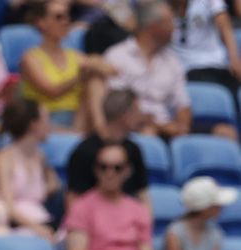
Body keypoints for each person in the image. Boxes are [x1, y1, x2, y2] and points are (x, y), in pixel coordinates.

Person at [64, 142, 160, 250]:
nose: (110, 173)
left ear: (127, 171)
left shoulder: (138, 209)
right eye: (103, 167)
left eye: (117, 168)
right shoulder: (81, 208)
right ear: (96, 170)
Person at [102, 0, 201, 139]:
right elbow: (119, 106)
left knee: (224, 131)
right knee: (148, 133)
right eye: (169, 22)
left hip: (167, 130)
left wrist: (182, 128)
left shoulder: (172, 61)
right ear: (153, 27)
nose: (174, 28)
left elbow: (183, 104)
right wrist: (158, 125)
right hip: (129, 130)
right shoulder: (117, 56)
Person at [21, 0, 116, 130]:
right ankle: (101, 130)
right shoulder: (30, 57)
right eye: (58, 17)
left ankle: (101, 129)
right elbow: (52, 91)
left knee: (95, 78)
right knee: (90, 77)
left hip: (77, 116)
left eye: (67, 16)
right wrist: (80, 76)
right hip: (47, 117)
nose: (65, 22)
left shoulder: (74, 56)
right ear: (41, 22)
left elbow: (111, 71)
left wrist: (95, 62)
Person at [0, 99, 61, 242]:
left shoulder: (41, 157)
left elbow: (53, 187)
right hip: (13, 226)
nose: (51, 126)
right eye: (46, 120)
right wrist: (36, 228)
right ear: (33, 124)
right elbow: (8, 206)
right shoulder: (3, 158)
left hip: (42, 220)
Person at [66, 88, 150, 204]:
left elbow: (142, 193)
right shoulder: (84, 151)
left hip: (127, 218)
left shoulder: (134, 150)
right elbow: (74, 197)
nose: (140, 115)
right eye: (136, 111)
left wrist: (146, 220)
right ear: (123, 114)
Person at [170, 0, 241, 124]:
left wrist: (234, 58)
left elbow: (224, 25)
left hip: (217, 64)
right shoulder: (162, 6)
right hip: (187, 68)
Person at [165, 176, 231, 250]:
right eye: (215, 203)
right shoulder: (174, 233)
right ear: (204, 207)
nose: (221, 206)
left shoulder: (216, 233)